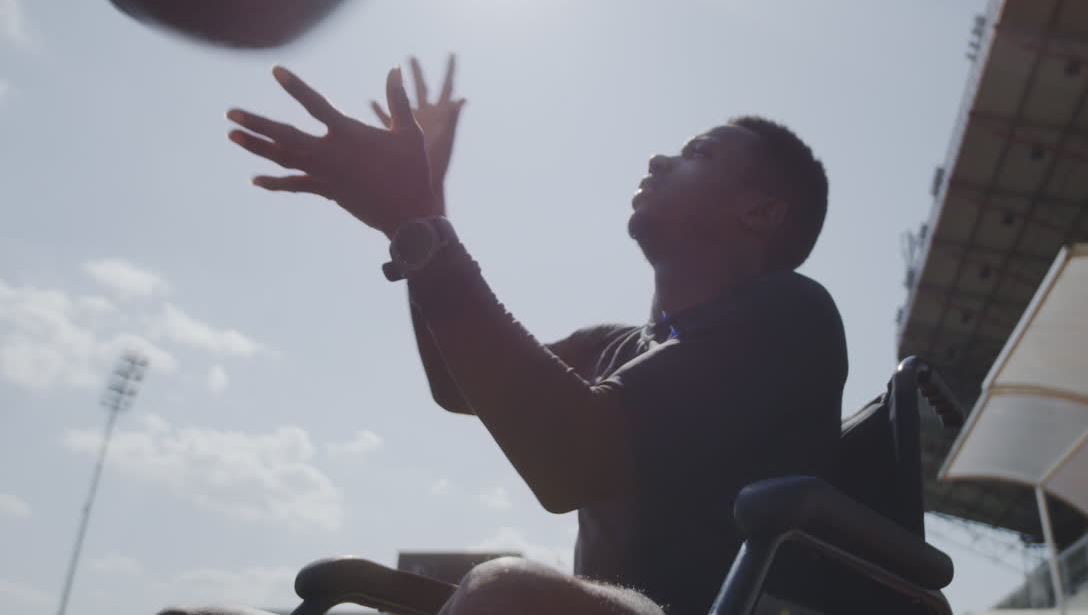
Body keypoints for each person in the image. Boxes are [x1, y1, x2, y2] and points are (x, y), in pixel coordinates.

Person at [215, 56, 848, 615]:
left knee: (503, 591)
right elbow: (457, 385)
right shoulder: (613, 345)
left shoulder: (790, 317)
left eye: (699, 153)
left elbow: (568, 461)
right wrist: (420, 210)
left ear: (761, 212)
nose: (659, 158)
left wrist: (417, 219)